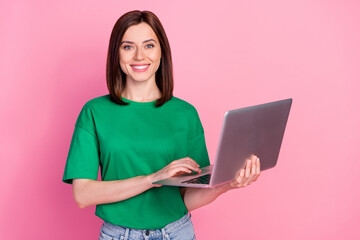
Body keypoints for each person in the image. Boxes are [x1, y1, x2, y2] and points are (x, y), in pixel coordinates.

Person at [62, 10, 261, 240]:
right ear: (116, 53)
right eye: (128, 47)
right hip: (118, 235)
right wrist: (153, 178)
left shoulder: (185, 114)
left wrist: (225, 185)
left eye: (149, 45)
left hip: (177, 233)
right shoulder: (94, 112)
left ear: (161, 52)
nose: (139, 56)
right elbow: (83, 194)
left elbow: (187, 197)